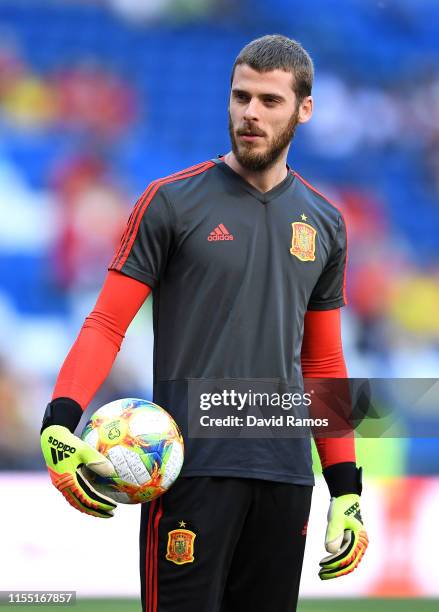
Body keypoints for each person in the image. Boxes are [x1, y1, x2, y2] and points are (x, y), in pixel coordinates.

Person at [41, 35, 368, 612]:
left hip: (286, 477)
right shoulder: (170, 202)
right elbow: (107, 323)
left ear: (304, 110)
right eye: (241, 96)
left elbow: (322, 363)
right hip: (190, 468)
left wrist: (346, 489)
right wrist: (60, 420)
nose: (250, 113)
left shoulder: (325, 222)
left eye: (270, 101)